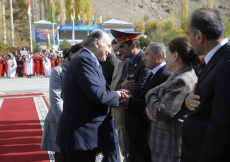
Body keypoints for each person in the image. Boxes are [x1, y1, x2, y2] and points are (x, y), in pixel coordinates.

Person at [56, 29, 127, 162]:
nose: (110, 51)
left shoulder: (88, 60)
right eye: (108, 46)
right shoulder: (84, 60)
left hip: (84, 135)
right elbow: (98, 95)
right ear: (96, 43)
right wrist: (117, 95)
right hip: (79, 135)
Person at [181, 8, 230, 162]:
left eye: (189, 35)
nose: (189, 40)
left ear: (199, 36)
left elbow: (221, 127)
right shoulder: (217, 58)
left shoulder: (226, 64)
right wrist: (188, 101)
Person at [144, 37, 198, 162]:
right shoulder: (178, 75)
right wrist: (148, 109)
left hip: (169, 149)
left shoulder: (182, 80)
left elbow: (161, 112)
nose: (165, 58)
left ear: (175, 55)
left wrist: (151, 92)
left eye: (167, 54)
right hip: (164, 147)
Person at [120, 42, 172, 162]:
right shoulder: (154, 73)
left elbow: (150, 104)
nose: (143, 58)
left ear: (158, 56)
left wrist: (130, 101)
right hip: (141, 131)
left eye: (147, 55)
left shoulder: (165, 75)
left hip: (151, 133)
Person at [111, 29, 151, 162]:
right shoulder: (127, 62)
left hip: (139, 120)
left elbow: (141, 91)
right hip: (128, 118)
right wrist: (121, 89)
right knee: (130, 155)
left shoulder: (144, 63)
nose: (119, 50)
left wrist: (122, 92)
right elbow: (119, 86)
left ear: (133, 45)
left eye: (122, 46)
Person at [41, 44, 82, 162]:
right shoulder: (58, 71)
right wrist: (66, 120)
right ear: (71, 55)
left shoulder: (82, 70)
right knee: (62, 156)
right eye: (79, 54)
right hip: (61, 120)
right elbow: (55, 98)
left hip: (77, 121)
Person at [110, 39, 130, 162]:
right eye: (115, 50)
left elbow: (126, 87)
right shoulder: (118, 62)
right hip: (115, 109)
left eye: (119, 50)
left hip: (123, 110)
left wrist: (118, 89)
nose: (117, 53)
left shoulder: (127, 62)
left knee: (126, 146)